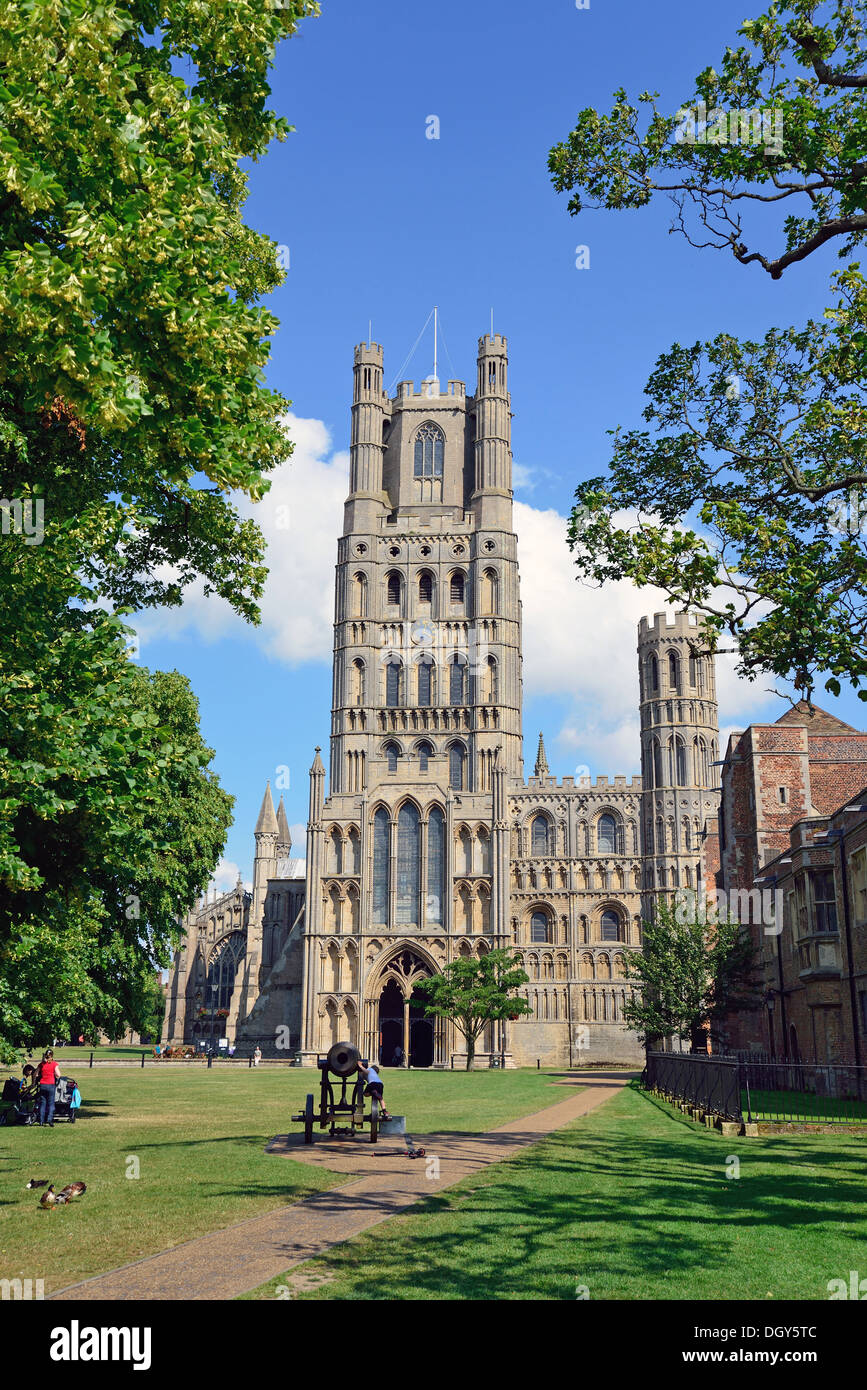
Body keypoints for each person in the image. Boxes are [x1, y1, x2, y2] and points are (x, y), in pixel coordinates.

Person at [36, 1049, 60, 1127]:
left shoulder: (41, 1064)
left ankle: (41, 1121)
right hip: (51, 1085)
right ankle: (49, 1119)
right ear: (52, 1056)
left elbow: (36, 1074)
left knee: (43, 1103)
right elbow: (58, 1074)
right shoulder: (54, 1064)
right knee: (51, 1103)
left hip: (43, 1085)